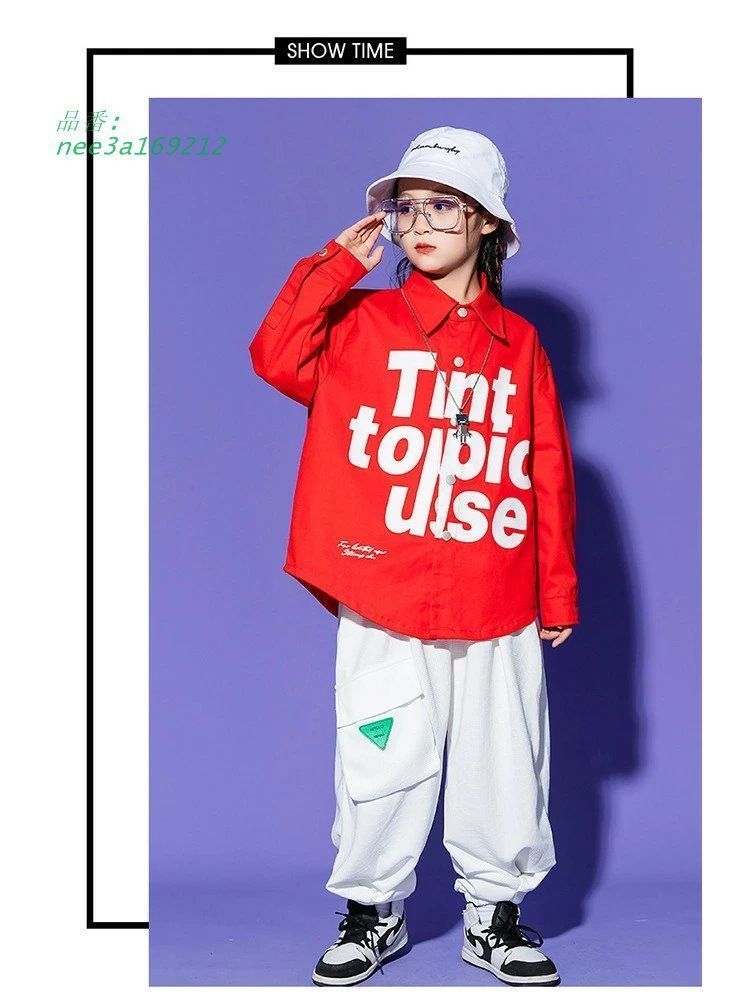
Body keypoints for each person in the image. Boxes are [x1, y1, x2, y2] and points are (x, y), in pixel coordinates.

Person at [248, 126, 578, 988]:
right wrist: (334, 266)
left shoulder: (520, 344)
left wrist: (557, 591)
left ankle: (494, 914)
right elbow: (274, 357)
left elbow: (545, 466)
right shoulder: (359, 322)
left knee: (503, 761)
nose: (418, 223)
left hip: (496, 585)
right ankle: (373, 911)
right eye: (406, 207)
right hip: (382, 581)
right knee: (380, 755)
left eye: (443, 206)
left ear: (488, 223)